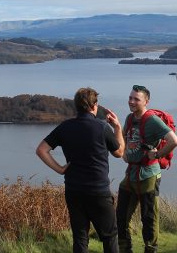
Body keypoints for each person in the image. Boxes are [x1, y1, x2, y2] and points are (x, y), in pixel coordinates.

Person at [36, 87, 125, 253]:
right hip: (98, 191)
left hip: (74, 191)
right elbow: (119, 153)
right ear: (94, 106)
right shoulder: (102, 127)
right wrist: (118, 128)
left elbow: (41, 150)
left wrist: (60, 169)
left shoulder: (65, 127)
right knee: (109, 236)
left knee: (80, 238)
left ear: (76, 106)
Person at [117, 84, 177, 253]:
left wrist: (158, 154)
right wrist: (124, 152)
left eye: (136, 99)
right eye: (130, 98)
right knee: (121, 216)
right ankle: (125, 249)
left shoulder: (152, 120)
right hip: (131, 174)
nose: (131, 101)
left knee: (149, 218)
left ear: (146, 101)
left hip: (149, 175)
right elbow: (123, 135)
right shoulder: (130, 119)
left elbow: (175, 140)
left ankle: (150, 249)